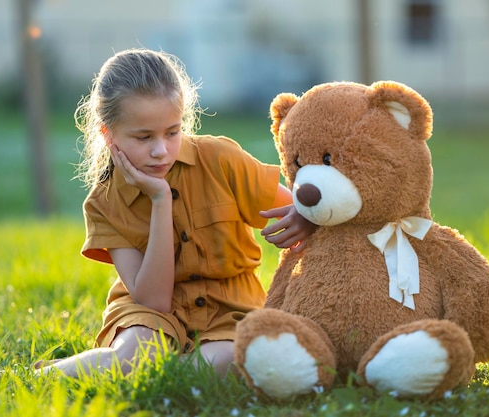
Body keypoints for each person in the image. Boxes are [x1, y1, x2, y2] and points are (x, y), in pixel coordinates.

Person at [35, 48, 316, 378]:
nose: (160, 150)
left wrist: (304, 216)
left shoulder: (220, 159)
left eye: (172, 132)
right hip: (148, 314)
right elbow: (153, 301)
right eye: (144, 137)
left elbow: (301, 209)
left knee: (230, 360)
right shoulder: (105, 202)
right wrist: (160, 200)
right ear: (107, 135)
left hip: (231, 309)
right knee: (132, 355)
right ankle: (40, 377)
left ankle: (148, 373)